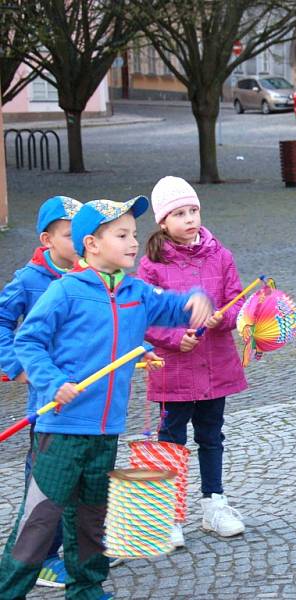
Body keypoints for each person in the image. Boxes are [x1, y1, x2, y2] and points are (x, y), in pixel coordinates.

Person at [0, 197, 212, 600]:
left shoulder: (134, 292)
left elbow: (169, 306)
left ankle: (86, 587)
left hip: (107, 427)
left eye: (133, 234)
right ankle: (9, 590)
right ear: (92, 245)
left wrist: (193, 300)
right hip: (62, 427)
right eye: (122, 235)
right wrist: (51, 381)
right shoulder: (65, 291)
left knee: (91, 514)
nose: (133, 242)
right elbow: (28, 341)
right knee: (41, 518)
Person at [137, 176, 248, 547]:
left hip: (216, 363)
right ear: (163, 222)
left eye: (194, 210)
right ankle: (168, 512)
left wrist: (225, 317)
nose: (190, 219)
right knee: (171, 440)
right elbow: (143, 316)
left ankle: (214, 503)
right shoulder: (151, 265)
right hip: (174, 369)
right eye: (180, 213)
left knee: (211, 435)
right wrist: (173, 338)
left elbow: (237, 301)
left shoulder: (221, 255)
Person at [0, 196, 82, 590]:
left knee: (83, 480)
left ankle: (76, 550)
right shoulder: (30, 279)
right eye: (71, 235)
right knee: (47, 482)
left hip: (87, 402)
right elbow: (1, 320)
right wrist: (16, 365)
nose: (80, 240)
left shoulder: (94, 273)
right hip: (48, 404)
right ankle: (44, 558)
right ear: (47, 239)